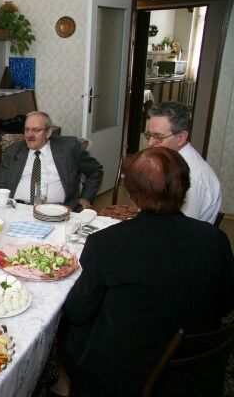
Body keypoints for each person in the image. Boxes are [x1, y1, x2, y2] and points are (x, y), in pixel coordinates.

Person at [50, 147, 234, 397]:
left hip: (124, 372)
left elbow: (78, 312)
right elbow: (225, 304)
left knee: (65, 325)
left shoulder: (106, 243)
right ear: (184, 188)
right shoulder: (216, 238)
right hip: (197, 364)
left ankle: (65, 385)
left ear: (132, 193)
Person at [0, 111, 103, 210]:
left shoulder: (69, 147)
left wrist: (85, 198)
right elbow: (1, 184)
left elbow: (95, 171)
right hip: (17, 208)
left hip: (57, 210)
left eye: (35, 130)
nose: (29, 135)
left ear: (48, 133)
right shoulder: (13, 151)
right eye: (27, 129)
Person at [146, 100, 222, 223]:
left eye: (158, 137)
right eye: (149, 135)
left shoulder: (192, 178)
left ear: (181, 138)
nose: (150, 143)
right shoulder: (171, 160)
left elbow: (181, 228)